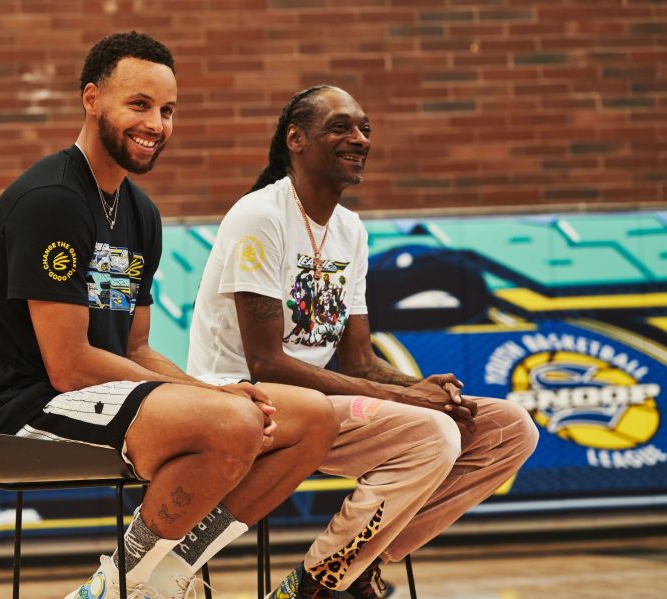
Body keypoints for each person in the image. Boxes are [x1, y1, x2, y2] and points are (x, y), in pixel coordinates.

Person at [0, 34, 336, 599]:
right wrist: (213, 400)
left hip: (103, 396)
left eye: (167, 111)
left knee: (311, 416)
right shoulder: (53, 200)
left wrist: (214, 390)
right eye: (139, 105)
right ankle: (116, 586)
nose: (156, 124)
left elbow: (136, 349)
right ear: (91, 99)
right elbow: (68, 366)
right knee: (232, 420)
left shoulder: (139, 212)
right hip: (27, 408)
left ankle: (163, 573)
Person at [187, 85, 540, 598]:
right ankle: (318, 585)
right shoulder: (259, 217)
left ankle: (355, 567)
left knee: (508, 429)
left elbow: (359, 362)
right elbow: (267, 364)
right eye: (340, 127)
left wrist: (419, 387)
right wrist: (406, 400)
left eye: (365, 129)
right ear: (296, 139)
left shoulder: (351, 230)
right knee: (432, 435)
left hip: (317, 404)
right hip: (243, 399)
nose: (359, 139)